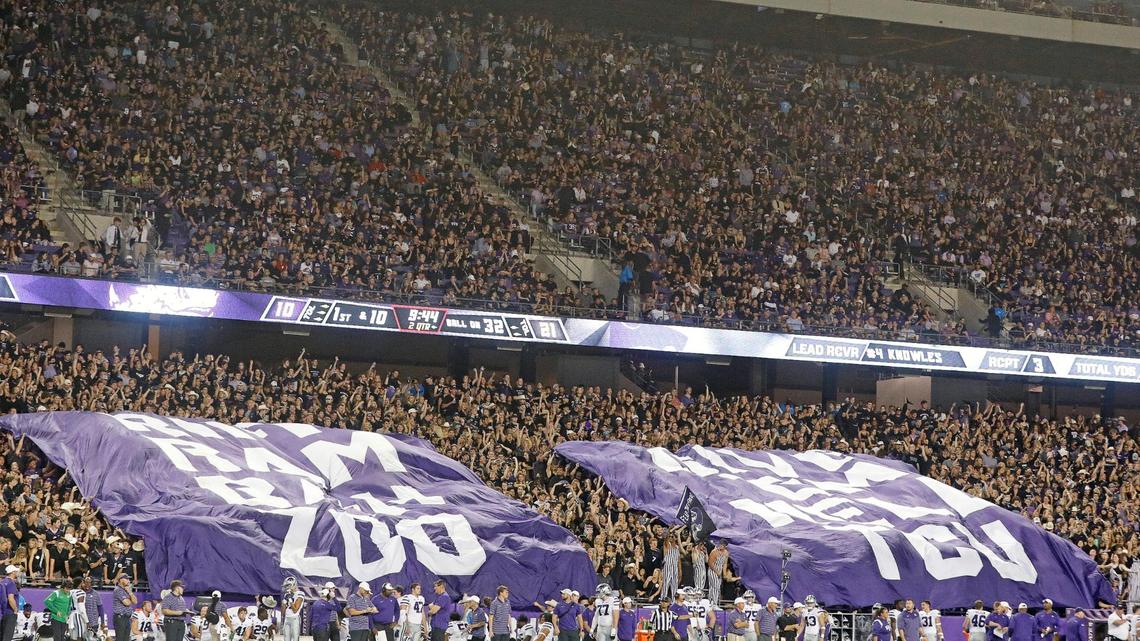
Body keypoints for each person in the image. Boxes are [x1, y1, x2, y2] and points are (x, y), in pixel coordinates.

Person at [112, 574, 137, 641]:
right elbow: (127, 603)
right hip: (120, 618)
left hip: (127, 618)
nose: (129, 581)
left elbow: (135, 601)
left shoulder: (127, 590)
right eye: (127, 579)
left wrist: (130, 592)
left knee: (126, 639)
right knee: (120, 639)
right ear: (121, 580)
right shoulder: (118, 590)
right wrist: (130, 597)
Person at [1, 565, 20, 641]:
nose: (17, 572)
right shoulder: (11, 583)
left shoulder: (2, 582)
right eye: (16, 571)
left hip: (3, 612)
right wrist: (15, 609)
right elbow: (11, 598)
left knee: (2, 635)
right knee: (7, 636)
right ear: (13, 573)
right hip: (10, 612)